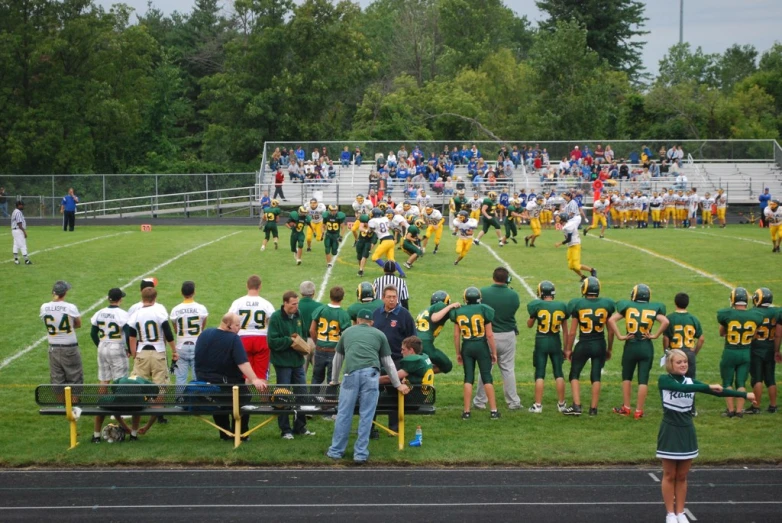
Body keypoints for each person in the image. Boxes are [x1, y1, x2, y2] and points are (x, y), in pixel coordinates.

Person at [657, 349, 752, 523]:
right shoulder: (664, 380)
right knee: (669, 474)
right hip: (670, 431)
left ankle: (680, 513)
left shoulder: (690, 380)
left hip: (687, 431)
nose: (684, 364)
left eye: (685, 361)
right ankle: (670, 514)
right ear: (670, 364)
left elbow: (718, 392)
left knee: (683, 476)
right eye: (679, 362)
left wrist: (744, 394)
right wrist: (707, 386)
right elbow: (682, 388)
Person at [326, 309, 409, 463]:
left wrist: (334, 380)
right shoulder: (379, 334)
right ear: (372, 322)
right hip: (371, 375)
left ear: (357, 320)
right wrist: (397, 384)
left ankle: (336, 451)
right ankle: (360, 454)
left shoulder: (347, 333)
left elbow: (337, 359)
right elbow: (388, 363)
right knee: (366, 415)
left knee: (344, 414)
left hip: (350, 374)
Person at [195, 312, 268, 441]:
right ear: (228, 325)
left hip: (205, 384)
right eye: (237, 325)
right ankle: (240, 434)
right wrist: (255, 379)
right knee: (244, 398)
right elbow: (243, 362)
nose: (239, 328)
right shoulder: (233, 339)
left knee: (219, 403)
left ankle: (224, 434)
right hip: (228, 384)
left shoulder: (204, 334)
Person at [608, 284, 669, 419]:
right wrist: (655, 335)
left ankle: (626, 407)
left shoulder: (627, 306)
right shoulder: (654, 308)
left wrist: (620, 336)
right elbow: (665, 321)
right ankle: (639, 411)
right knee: (643, 380)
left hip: (631, 345)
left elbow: (611, 320)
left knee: (627, 377)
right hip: (646, 346)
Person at [127, 286, 178, 434]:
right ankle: (158, 416)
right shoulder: (159, 312)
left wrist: (134, 353)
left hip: (142, 351)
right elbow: (168, 333)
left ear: (142, 298)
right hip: (158, 353)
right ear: (155, 298)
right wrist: (174, 351)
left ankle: (136, 418)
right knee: (160, 387)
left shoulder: (135, 314)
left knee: (137, 387)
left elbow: (131, 336)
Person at [564, 276, 616, 416]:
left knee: (574, 374)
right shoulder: (606, 304)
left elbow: (572, 332)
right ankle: (593, 409)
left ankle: (576, 406)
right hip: (600, 343)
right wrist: (609, 348)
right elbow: (610, 331)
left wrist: (568, 349)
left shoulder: (578, 304)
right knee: (596, 375)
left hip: (584, 343)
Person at [268, 291, 314, 439]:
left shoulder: (298, 315)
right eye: (293, 304)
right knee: (283, 396)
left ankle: (300, 426)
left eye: (297, 303)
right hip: (283, 364)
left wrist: (301, 344)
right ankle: (285, 430)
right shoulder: (275, 318)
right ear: (285, 303)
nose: (296, 306)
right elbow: (272, 342)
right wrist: (290, 341)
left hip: (298, 362)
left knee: (302, 394)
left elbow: (303, 333)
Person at [473, 267, 521, 411]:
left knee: (485, 369)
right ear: (507, 279)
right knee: (508, 369)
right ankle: (513, 401)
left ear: (493, 277)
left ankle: (480, 401)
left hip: (488, 335)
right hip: (507, 335)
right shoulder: (514, 295)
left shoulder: (483, 293)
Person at [372, 285, 415, 435]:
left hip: (396, 359)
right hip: (376, 359)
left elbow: (413, 339)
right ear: (383, 298)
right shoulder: (376, 314)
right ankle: (371, 427)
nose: (392, 299)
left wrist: (408, 358)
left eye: (394, 296)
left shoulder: (405, 315)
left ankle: (394, 427)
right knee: (373, 391)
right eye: (389, 296)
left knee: (394, 392)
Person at [89, 288, 132, 442]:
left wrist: (100, 345)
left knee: (104, 380)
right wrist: (128, 349)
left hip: (102, 346)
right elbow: (127, 332)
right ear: (119, 299)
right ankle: (117, 412)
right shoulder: (122, 314)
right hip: (116, 346)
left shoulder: (99, 312)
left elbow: (93, 333)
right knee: (120, 382)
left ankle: (102, 406)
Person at [716, 287, 764, 418]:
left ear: (733, 299)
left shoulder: (726, 314)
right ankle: (739, 411)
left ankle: (730, 410)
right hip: (745, 352)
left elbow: (721, 333)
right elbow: (754, 335)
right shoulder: (756, 316)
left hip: (730, 352)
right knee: (741, 383)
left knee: (727, 382)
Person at [453, 287, 499, 420]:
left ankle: (466, 412)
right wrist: (494, 352)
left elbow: (456, 335)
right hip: (481, 345)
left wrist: (458, 352)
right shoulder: (484, 309)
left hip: (467, 345)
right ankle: (494, 411)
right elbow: (489, 335)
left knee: (468, 378)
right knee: (487, 377)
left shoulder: (459, 311)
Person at [526, 281, 569, 413]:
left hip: (541, 341)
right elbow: (566, 331)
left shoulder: (537, 305)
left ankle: (538, 405)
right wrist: (567, 348)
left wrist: (533, 315)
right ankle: (562, 404)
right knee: (558, 373)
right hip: (555, 340)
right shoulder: (561, 306)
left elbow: (529, 324)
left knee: (540, 373)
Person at [663, 293, 704, 416]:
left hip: (675, 353)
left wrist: (666, 352)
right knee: (690, 381)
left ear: (675, 303)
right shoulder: (693, 318)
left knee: (674, 382)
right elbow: (701, 339)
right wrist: (694, 352)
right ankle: (691, 409)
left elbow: (666, 338)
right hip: (688, 352)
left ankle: (674, 407)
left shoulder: (670, 318)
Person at [229, 275, 276, 382]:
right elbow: (273, 321)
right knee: (261, 375)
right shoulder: (266, 304)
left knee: (246, 373)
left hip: (242, 339)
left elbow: (228, 319)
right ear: (260, 286)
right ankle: (262, 398)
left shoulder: (238, 302)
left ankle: (247, 398)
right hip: (261, 339)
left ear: (247, 286)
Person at [41, 280, 83, 387]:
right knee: (74, 377)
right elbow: (78, 324)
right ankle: (74, 403)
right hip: (69, 348)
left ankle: (60, 404)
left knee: (57, 379)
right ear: (65, 293)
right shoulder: (70, 307)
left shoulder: (44, 307)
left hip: (53, 348)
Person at [309, 286, 351, 391]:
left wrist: (317, 342)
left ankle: (312, 402)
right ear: (342, 298)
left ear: (330, 295)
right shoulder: (343, 314)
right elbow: (346, 335)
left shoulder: (321, 309)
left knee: (316, 378)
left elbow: (312, 330)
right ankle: (329, 403)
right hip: (334, 351)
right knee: (332, 380)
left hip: (320, 348)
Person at [745, 288, 778, 414]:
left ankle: (756, 406)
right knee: (770, 378)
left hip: (756, 348)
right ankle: (773, 405)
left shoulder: (752, 312)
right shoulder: (776, 312)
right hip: (770, 347)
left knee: (757, 378)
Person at [169, 281, 209, 386]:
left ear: (182, 293)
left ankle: (179, 401)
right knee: (197, 378)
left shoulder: (175, 310)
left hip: (181, 346)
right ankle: (197, 401)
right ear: (194, 292)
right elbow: (202, 327)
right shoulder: (201, 308)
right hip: (197, 344)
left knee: (180, 378)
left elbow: (176, 330)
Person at [414, 291, 460, 375]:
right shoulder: (440, 305)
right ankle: (419, 374)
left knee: (421, 363)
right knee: (447, 365)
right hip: (424, 343)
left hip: (413, 342)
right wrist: (450, 306)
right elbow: (434, 318)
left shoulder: (425, 310)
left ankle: (418, 374)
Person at [554, 212, 597, 281]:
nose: (558, 219)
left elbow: (569, 239)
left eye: (559, 218)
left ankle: (592, 270)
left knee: (576, 265)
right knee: (571, 266)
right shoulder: (567, 225)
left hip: (575, 245)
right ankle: (583, 277)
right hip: (571, 246)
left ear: (563, 220)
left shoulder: (568, 226)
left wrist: (560, 243)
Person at [11, 200, 32, 265]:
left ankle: (16, 260)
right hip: (18, 230)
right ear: (19, 205)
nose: (23, 206)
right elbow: (19, 223)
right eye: (22, 205)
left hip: (14, 230)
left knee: (16, 245)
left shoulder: (15, 211)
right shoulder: (18, 212)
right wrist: (24, 231)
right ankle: (26, 260)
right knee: (23, 245)